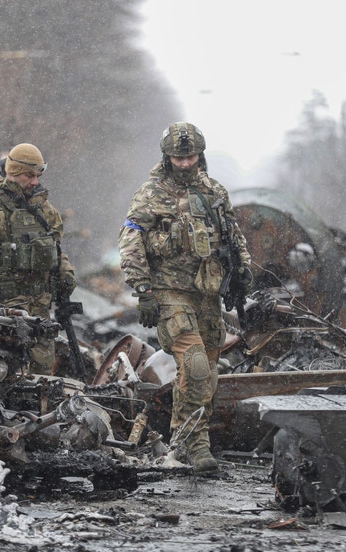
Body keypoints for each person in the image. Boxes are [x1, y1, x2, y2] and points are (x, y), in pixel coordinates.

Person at [117, 122, 253, 474]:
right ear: (167, 156)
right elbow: (131, 240)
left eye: (190, 156)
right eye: (178, 157)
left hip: (207, 296)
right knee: (192, 363)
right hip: (170, 293)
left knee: (205, 373)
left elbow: (233, 236)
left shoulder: (214, 191)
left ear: (200, 155)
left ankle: (181, 435)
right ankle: (198, 443)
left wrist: (243, 271)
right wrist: (143, 289)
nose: (184, 163)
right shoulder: (151, 193)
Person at [0, 143, 76, 376]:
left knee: (42, 379)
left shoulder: (44, 209)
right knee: (3, 378)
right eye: (30, 175)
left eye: (38, 175)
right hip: (0, 315)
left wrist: (65, 276)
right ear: (13, 172)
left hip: (39, 313)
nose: (36, 182)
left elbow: (55, 248)